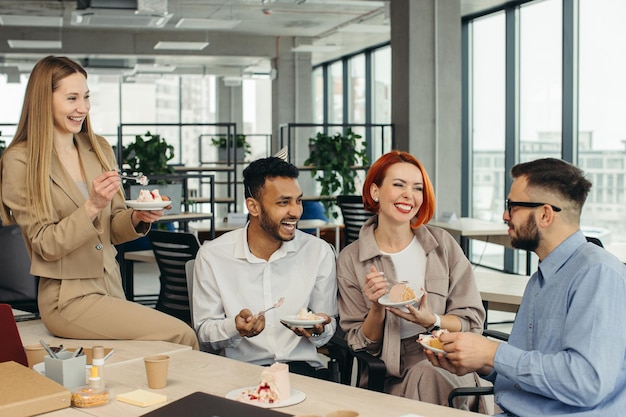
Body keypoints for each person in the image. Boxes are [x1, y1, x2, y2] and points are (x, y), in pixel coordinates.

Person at [0, 56, 198, 349]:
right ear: (44, 100)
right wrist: (91, 205)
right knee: (181, 335)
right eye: (72, 98)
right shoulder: (20, 160)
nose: (84, 107)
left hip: (111, 287)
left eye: (86, 96)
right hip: (67, 299)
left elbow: (113, 229)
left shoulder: (99, 148)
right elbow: (44, 244)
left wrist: (138, 219)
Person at [428, 157, 626, 416]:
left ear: (545, 214)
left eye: (512, 206)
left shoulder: (598, 273)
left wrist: (492, 353)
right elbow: (530, 370)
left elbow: (586, 382)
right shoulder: (541, 278)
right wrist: (478, 361)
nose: (504, 216)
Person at [336, 150, 491, 411]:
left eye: (417, 188)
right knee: (426, 376)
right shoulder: (351, 259)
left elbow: (472, 321)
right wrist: (376, 307)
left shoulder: (442, 245)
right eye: (398, 185)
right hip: (392, 370)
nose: (409, 194)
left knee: (432, 374)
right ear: (375, 192)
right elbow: (361, 343)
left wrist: (432, 321)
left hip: (448, 356)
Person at [192, 156, 337, 379]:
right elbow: (204, 334)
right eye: (283, 202)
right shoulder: (213, 256)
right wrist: (235, 328)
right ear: (253, 206)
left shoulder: (318, 252)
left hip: (302, 372)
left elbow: (327, 327)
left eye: (298, 201)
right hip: (240, 373)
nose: (296, 212)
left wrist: (319, 329)